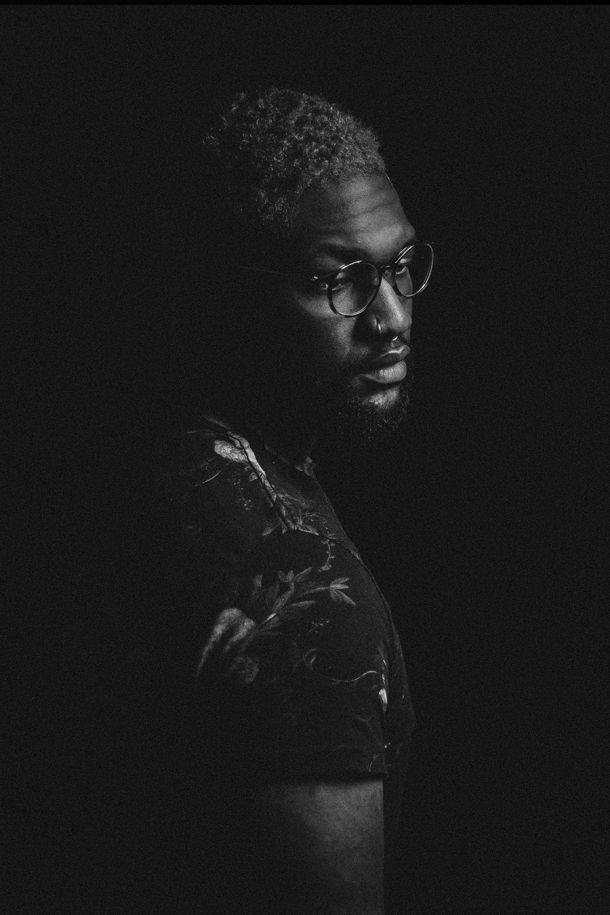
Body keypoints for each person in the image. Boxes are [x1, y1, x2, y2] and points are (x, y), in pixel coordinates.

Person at [153, 86, 434, 914]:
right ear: (232, 295)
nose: (392, 318)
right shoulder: (308, 600)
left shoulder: (176, 460)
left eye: (401, 267)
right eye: (339, 280)